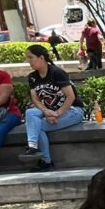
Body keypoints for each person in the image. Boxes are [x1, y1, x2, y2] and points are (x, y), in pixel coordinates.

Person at [18, 44, 85, 173]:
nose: (28, 61)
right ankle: (32, 146)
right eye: (27, 58)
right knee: (30, 112)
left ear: (41, 58)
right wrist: (47, 112)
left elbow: (70, 97)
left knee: (40, 126)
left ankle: (46, 161)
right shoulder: (32, 77)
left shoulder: (57, 73)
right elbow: (35, 99)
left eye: (31, 57)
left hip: (72, 110)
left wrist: (57, 113)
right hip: (50, 110)